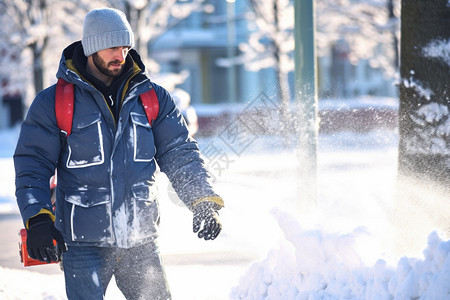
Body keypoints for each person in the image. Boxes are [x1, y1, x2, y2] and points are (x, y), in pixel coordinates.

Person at [14, 7, 223, 300]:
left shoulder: (152, 98)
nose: (120, 55)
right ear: (91, 48)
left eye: (125, 47)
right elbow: (32, 164)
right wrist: (37, 217)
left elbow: (179, 152)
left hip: (140, 240)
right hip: (83, 244)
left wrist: (201, 199)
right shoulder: (55, 102)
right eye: (112, 47)